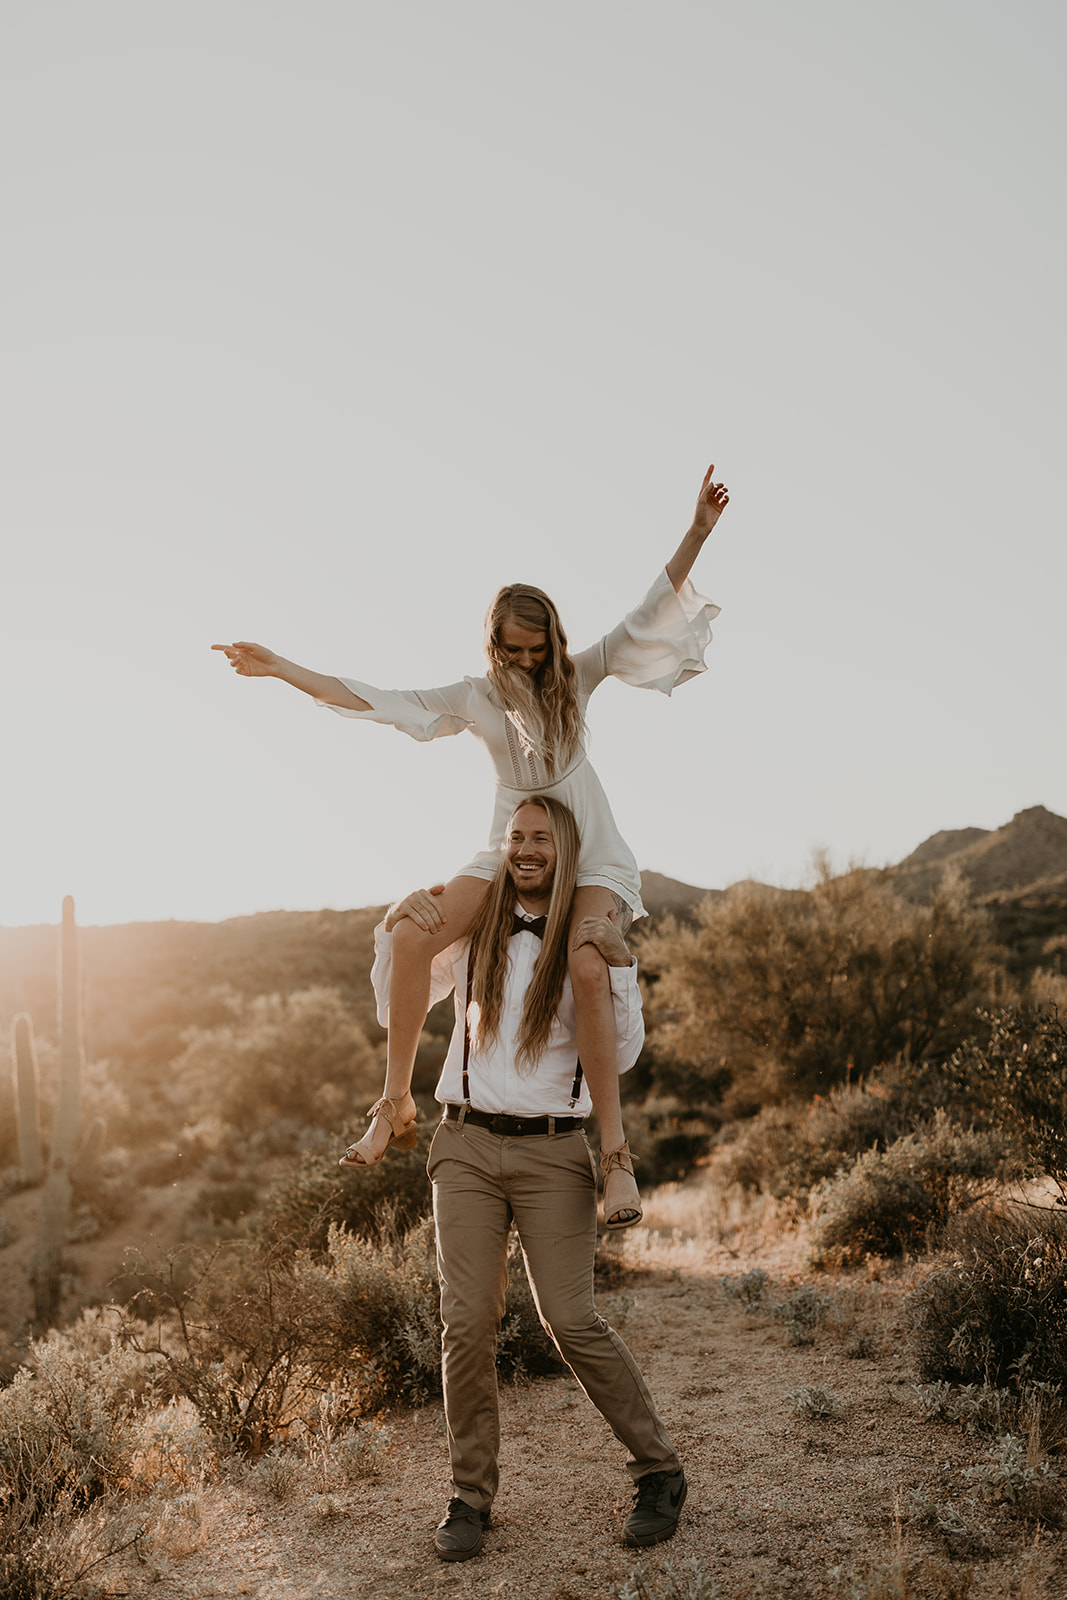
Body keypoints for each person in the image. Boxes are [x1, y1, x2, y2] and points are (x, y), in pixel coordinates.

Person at [213, 463, 730, 1227]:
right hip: (509, 845)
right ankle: (394, 1103)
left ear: (551, 641)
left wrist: (694, 532)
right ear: (493, 645)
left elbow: (648, 609)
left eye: (535, 650)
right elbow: (376, 699)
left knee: (587, 963)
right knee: (411, 930)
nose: (525, 663)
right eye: (512, 651)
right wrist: (283, 668)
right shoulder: (474, 696)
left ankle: (614, 1161)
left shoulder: (578, 676)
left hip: (588, 852)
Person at [373, 794, 686, 1560]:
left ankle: (657, 1471)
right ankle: (469, 1498)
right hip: (467, 1146)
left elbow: (625, 1050)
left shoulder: (588, 936)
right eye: (515, 837)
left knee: (569, 1320)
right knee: (467, 1324)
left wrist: (617, 967)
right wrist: (395, 926)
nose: (526, 849)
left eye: (541, 838)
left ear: (565, 850)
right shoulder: (472, 930)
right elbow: (394, 1005)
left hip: (553, 1153)